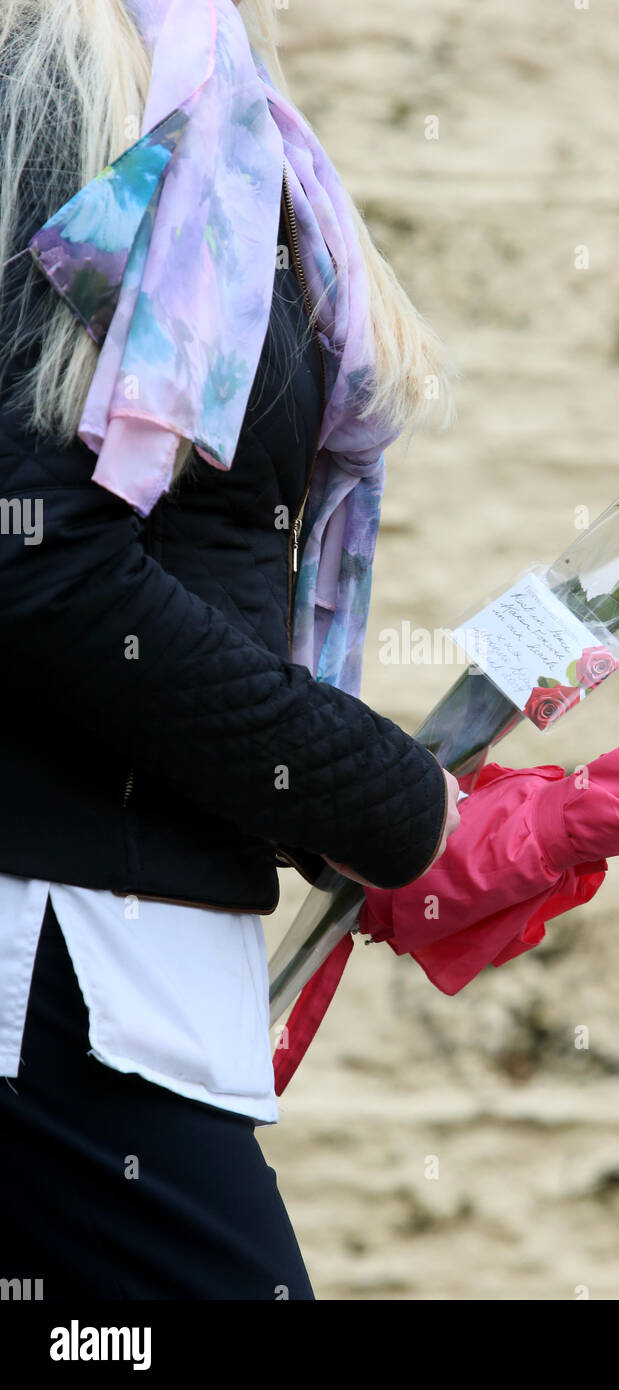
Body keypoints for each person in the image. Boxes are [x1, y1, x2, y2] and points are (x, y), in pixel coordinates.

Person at [0, 0, 461, 1300]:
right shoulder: (56, 75)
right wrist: (392, 803)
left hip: (120, 957)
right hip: (57, 953)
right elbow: (33, 557)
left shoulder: (209, 94)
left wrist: (345, 819)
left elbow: (170, 567)